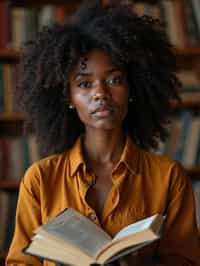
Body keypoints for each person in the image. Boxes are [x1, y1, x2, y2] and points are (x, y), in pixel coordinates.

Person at [6, 0, 200, 265]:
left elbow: (185, 260)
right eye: (85, 83)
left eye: (114, 80)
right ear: (69, 97)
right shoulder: (40, 180)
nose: (100, 93)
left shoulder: (168, 178)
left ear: (132, 90)